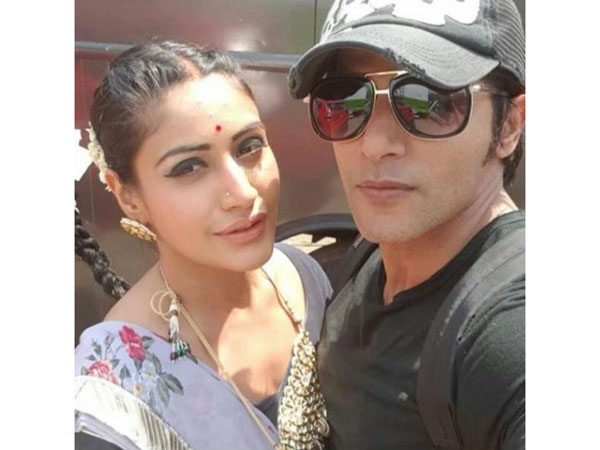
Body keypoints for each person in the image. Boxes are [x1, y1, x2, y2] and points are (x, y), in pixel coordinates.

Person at [288, 1, 525, 449]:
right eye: (344, 99)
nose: (375, 144)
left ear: (509, 126)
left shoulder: (509, 329)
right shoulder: (368, 256)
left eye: (429, 102)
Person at [74, 41, 331, 450]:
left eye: (249, 146)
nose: (243, 193)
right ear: (128, 197)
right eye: (189, 167)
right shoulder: (113, 394)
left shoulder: (304, 277)